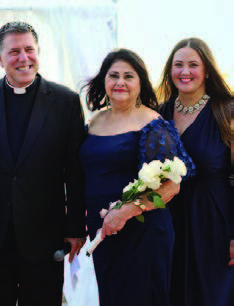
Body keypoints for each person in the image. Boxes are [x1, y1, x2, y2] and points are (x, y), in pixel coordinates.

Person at [0, 21, 86, 306]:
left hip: (45, 235)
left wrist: (76, 227)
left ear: (38, 51)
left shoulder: (66, 101)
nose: (23, 58)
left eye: (29, 49)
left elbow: (75, 171)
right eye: (14, 51)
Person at [79, 49, 195, 306]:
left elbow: (172, 186)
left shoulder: (153, 123)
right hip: (103, 232)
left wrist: (126, 211)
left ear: (140, 83)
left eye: (128, 76)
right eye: (114, 75)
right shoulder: (94, 121)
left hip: (143, 233)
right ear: (104, 81)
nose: (120, 82)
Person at [158, 38, 234, 306]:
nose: (185, 71)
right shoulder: (158, 114)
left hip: (215, 222)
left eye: (193, 64)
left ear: (208, 70)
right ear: (170, 71)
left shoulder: (228, 112)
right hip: (168, 222)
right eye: (178, 65)